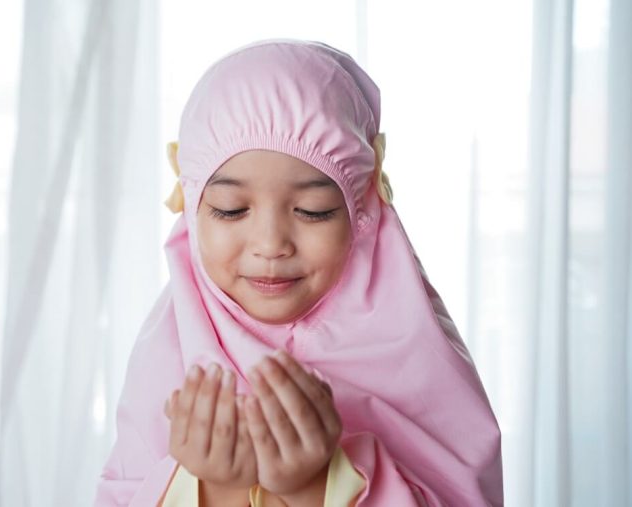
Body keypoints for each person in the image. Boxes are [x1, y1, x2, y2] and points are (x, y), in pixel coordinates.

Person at [94, 39, 503, 506]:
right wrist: (215, 487)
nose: (271, 244)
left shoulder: (419, 354)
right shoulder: (169, 354)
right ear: (191, 212)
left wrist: (312, 486)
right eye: (230, 210)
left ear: (363, 211)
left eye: (313, 211)